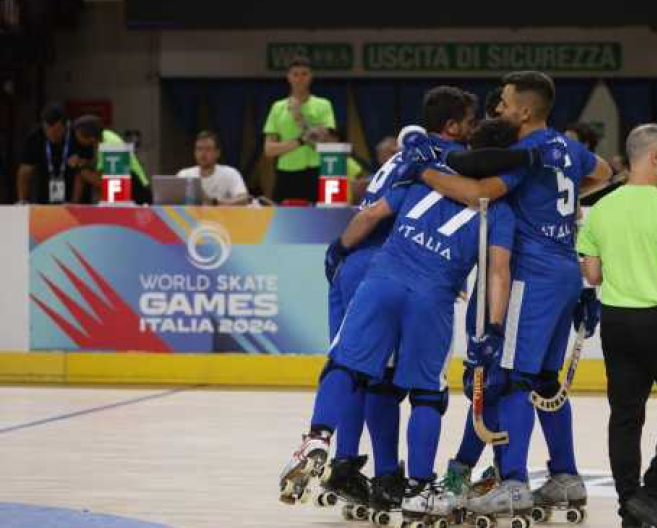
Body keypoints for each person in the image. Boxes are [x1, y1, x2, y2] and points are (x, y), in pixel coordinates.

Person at [280, 116, 518, 525]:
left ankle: (318, 439)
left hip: (382, 280)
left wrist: (339, 248)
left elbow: (371, 215)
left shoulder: (426, 177)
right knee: (427, 394)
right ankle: (420, 489)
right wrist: (493, 329)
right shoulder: (500, 210)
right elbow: (498, 273)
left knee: (346, 366)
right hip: (433, 297)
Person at [413, 70, 611, 524]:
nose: (495, 108)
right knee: (545, 381)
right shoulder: (564, 147)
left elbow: (479, 193)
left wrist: (421, 170)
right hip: (564, 273)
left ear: (523, 110)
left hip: (529, 275)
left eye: (502, 102)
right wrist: (558, 200)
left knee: (511, 381)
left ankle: (513, 484)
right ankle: (565, 476)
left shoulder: (523, 153)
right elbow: (605, 172)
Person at [577, 123, 657, 528]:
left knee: (626, 415)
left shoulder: (602, 209)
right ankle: (653, 493)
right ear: (654, 158)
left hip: (616, 323)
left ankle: (629, 504)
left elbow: (593, 273)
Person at [263, 55, 336, 203]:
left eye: (304, 74)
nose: (299, 78)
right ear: (288, 77)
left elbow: (323, 145)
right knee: (282, 220)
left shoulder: (323, 105)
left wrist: (300, 119)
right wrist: (302, 140)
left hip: (315, 171)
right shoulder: (277, 107)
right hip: (286, 172)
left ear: (311, 77)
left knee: (318, 220)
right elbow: (269, 150)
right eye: (295, 74)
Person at [15, 102, 93, 204]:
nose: (51, 134)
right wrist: (22, 200)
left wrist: (74, 203)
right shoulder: (35, 138)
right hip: (45, 200)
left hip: (77, 201)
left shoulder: (79, 136)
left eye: (57, 130)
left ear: (66, 125)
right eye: (47, 129)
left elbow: (86, 171)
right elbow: (25, 172)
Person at [72, 114, 151, 204]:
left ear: (90, 135)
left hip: (138, 193)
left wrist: (83, 171)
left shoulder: (111, 143)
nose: (76, 137)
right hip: (127, 192)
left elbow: (110, 183)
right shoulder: (101, 140)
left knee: (83, 172)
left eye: (77, 134)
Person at [175, 130, 249, 205]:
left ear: (217, 153)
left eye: (208, 149)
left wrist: (214, 202)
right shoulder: (184, 175)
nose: (203, 153)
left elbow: (244, 199)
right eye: (199, 149)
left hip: (220, 216)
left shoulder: (230, 173)